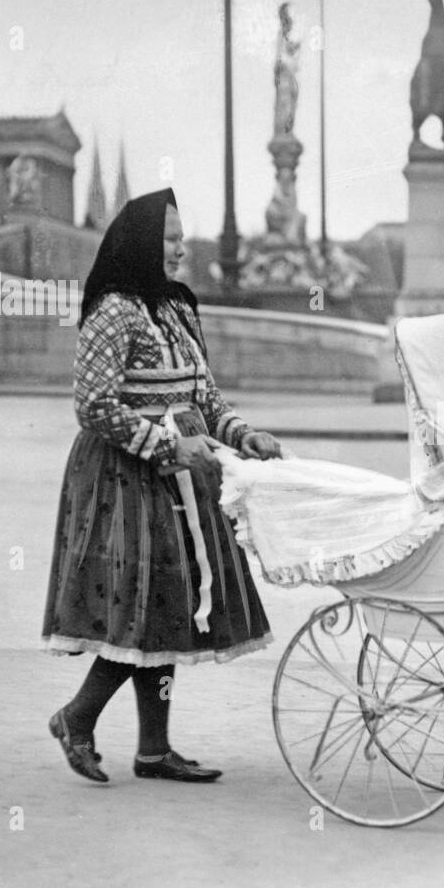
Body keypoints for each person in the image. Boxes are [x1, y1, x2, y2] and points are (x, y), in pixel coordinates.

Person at [43, 188, 280, 784]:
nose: (178, 251)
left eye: (180, 239)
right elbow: (93, 406)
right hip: (125, 477)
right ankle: (77, 717)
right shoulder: (113, 311)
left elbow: (204, 395)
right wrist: (168, 444)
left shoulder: (174, 309)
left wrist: (240, 433)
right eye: (169, 240)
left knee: (169, 606)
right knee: (141, 608)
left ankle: (153, 749)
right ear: (142, 244)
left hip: (181, 475)